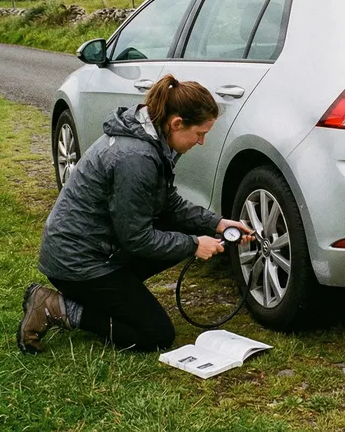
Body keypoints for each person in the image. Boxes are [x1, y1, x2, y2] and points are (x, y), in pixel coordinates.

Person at [17, 74, 252, 353]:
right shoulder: (136, 157)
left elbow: (168, 206)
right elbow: (136, 238)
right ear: (177, 123)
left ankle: (113, 293)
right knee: (156, 334)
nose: (201, 142)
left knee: (178, 231)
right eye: (200, 133)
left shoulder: (151, 138)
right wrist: (194, 245)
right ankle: (57, 307)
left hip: (98, 247)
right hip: (76, 263)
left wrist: (217, 223)